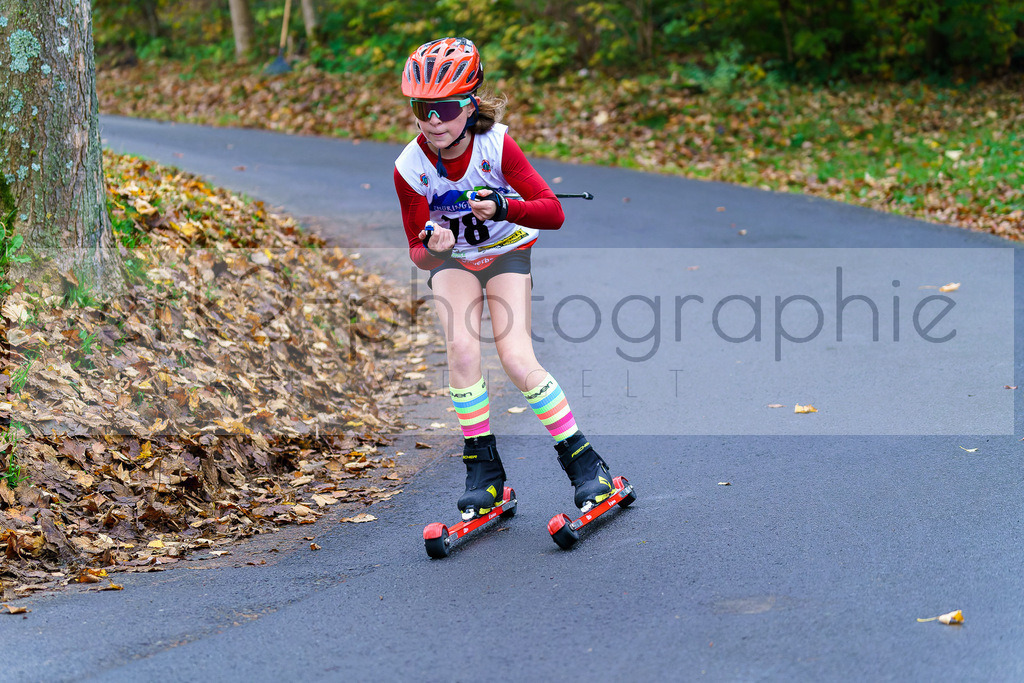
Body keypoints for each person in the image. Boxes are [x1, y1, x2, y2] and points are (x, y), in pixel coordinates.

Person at [393, 37, 617, 521]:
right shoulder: (409, 167)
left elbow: (552, 212)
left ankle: (585, 464)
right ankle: (484, 475)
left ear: (469, 104)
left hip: (505, 252)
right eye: (422, 107)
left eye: (445, 108)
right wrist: (432, 249)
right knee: (462, 350)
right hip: (454, 261)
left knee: (516, 358)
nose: (433, 120)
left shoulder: (496, 146)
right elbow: (416, 251)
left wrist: (504, 206)